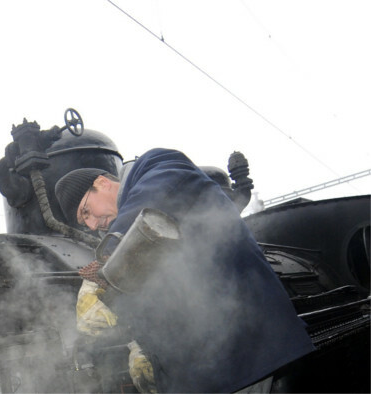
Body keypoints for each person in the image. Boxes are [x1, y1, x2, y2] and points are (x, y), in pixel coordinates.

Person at [55, 148, 314, 393]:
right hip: (208, 371)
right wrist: (144, 350)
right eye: (84, 222)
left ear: (101, 183)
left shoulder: (156, 166)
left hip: (246, 353)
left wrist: (110, 261)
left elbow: (153, 203)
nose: (91, 225)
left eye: (86, 211)